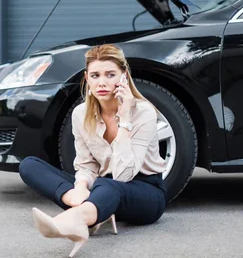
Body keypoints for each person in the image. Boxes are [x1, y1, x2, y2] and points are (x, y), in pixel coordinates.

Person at [19, 43, 168, 257]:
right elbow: (86, 165)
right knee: (29, 165)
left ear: (123, 76)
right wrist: (79, 188)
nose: (102, 82)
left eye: (110, 74)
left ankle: (75, 220)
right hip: (100, 187)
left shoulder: (142, 112)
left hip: (146, 192)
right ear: (87, 79)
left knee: (108, 184)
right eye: (95, 75)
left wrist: (124, 120)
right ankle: (82, 205)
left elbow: (123, 176)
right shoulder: (80, 114)